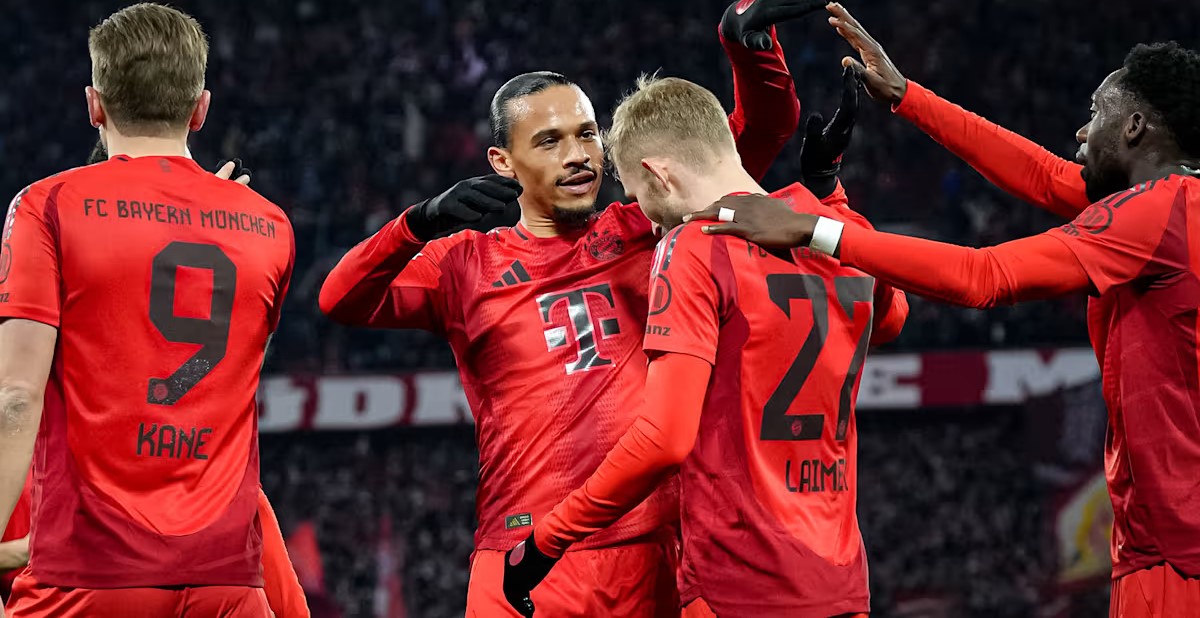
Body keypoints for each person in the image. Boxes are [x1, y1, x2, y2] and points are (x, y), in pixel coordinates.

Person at [319, 2, 829, 615]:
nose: (578, 154)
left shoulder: (647, 225)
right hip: (525, 557)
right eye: (550, 141)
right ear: (502, 162)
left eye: (587, 134)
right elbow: (341, 297)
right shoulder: (464, 264)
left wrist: (749, 47)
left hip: (656, 553)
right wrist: (416, 224)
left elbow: (760, 132)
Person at [693, 7, 1200, 615]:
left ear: (1136, 126)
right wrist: (907, 97)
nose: (1081, 131)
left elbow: (983, 277)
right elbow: (1044, 177)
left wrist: (812, 229)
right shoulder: (1173, 208)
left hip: (1177, 556)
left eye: (1097, 113)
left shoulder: (1158, 213)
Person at [501, 74, 907, 618]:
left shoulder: (693, 245)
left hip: (738, 581)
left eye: (638, 196)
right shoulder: (831, 227)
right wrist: (831, 196)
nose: (646, 218)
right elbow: (891, 320)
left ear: (658, 174)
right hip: (840, 579)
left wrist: (547, 540)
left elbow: (664, 440)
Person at [0, 4, 295, 616]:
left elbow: (16, 397)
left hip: (88, 576)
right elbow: (237, 367)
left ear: (94, 105)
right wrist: (215, 215)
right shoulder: (270, 224)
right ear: (200, 108)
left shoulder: (47, 206)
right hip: (228, 582)